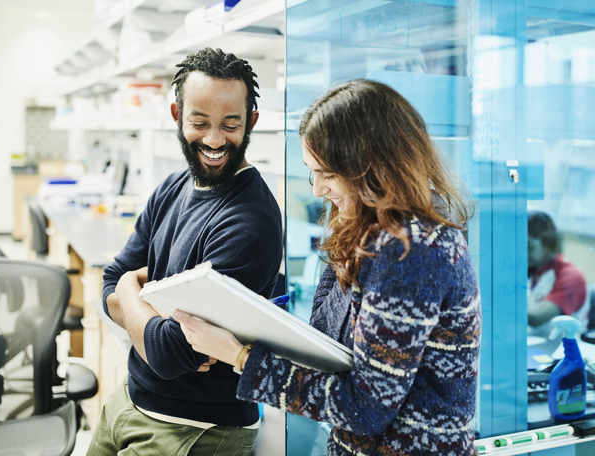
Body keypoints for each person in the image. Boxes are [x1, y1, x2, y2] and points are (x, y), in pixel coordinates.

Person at [175, 78, 482, 456]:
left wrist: (241, 357)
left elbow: (367, 407)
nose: (318, 189)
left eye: (328, 174)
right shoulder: (369, 232)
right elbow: (330, 344)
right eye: (312, 171)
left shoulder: (412, 252)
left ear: (375, 168)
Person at [87, 48, 284, 456]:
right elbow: (109, 282)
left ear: (252, 122)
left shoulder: (250, 220)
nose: (214, 140)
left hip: (197, 429)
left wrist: (129, 289)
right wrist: (132, 295)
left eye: (231, 124)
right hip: (128, 399)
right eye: (200, 122)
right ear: (177, 116)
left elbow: (167, 352)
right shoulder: (172, 188)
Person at [527, 210, 588, 338]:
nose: (523, 253)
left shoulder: (570, 276)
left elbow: (536, 318)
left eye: (530, 247)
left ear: (548, 244)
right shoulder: (532, 270)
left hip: (561, 351)